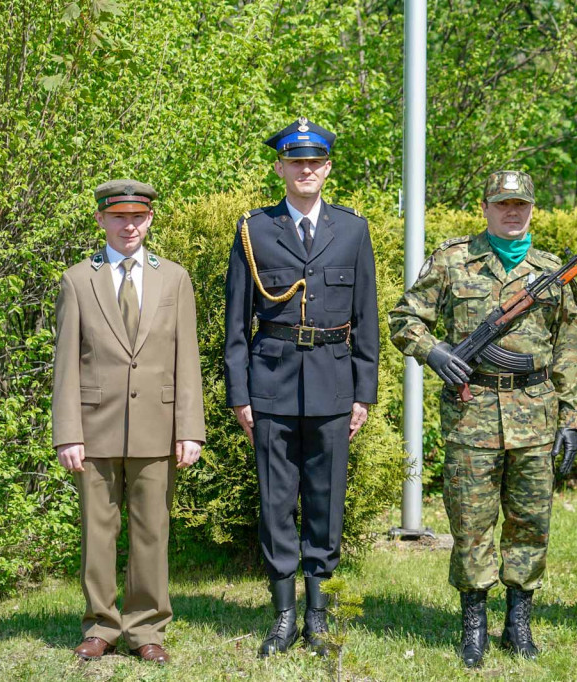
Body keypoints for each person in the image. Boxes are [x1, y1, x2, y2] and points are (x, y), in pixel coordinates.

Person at [389, 170, 577, 668]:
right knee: (471, 524)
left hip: (536, 417)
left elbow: (570, 349)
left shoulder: (551, 272)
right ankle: (473, 623)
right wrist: (433, 353)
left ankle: (517, 621)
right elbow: (404, 318)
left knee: (530, 524)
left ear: (532, 208)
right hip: (472, 414)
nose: (512, 212)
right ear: (485, 207)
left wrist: (572, 418)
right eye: (502, 203)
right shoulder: (452, 260)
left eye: (520, 203)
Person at [224, 116, 379, 657]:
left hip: (335, 382)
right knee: (275, 501)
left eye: (315, 161)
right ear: (280, 168)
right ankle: (283, 616)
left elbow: (366, 318)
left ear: (327, 168)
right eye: (296, 161)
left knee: (325, 500)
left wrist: (364, 393)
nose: (306, 169)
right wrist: (240, 395)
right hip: (271, 381)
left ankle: (318, 614)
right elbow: (237, 322)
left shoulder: (353, 230)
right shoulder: (254, 229)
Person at [52, 179, 205, 665]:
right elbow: (66, 363)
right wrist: (68, 433)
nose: (129, 225)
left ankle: (146, 629)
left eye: (137, 217)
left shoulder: (174, 279)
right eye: (118, 217)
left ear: (150, 220)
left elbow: (187, 359)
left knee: (151, 532)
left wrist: (189, 429)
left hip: (158, 427)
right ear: (101, 220)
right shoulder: (78, 280)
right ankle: (100, 625)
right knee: (97, 533)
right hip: (94, 429)